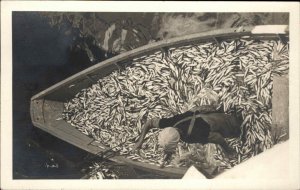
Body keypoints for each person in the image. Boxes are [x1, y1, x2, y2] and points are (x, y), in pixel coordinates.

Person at [133, 104, 243, 167]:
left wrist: (227, 150)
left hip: (231, 124)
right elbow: (150, 122)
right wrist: (140, 141)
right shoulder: (171, 123)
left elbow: (218, 138)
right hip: (214, 114)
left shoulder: (192, 135)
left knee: (236, 133)